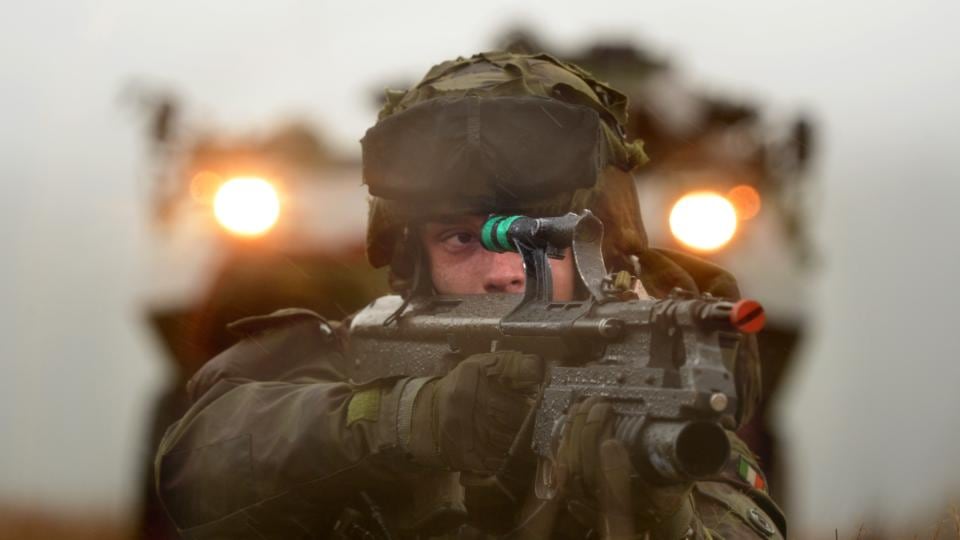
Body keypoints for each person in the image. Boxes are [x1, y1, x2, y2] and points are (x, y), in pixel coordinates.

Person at [155, 51, 786, 539]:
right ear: (412, 257)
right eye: (462, 239)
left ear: (605, 247)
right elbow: (196, 469)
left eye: (546, 240)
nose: (506, 272)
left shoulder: (654, 379)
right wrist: (402, 421)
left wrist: (658, 506)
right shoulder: (351, 359)